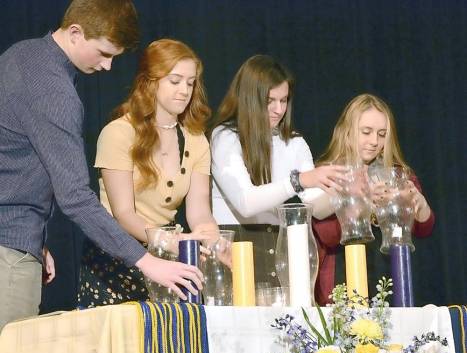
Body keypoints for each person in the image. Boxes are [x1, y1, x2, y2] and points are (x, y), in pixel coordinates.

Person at [0, 0, 202, 330]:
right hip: (8, 252)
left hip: (14, 240)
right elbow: (76, 198)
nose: (107, 66)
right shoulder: (54, 89)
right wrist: (147, 262)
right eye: (104, 53)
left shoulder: (22, 55)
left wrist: (32, 240)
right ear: (75, 33)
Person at [78, 39, 218, 307]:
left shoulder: (196, 139)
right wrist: (166, 240)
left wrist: (210, 238)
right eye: (175, 81)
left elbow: (199, 212)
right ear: (150, 82)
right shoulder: (118, 133)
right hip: (116, 259)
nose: (184, 91)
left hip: (166, 259)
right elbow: (124, 214)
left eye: (190, 83)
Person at [210, 54, 347, 295]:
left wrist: (344, 192)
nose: (278, 109)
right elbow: (246, 202)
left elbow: (317, 206)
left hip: (282, 249)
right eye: (270, 100)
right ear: (249, 98)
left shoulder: (293, 142)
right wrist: (298, 181)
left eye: (284, 100)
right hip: (234, 251)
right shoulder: (225, 138)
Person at [314, 93, 435, 304]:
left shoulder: (399, 175)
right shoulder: (328, 174)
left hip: (389, 278)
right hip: (342, 284)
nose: (374, 141)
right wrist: (364, 202)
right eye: (366, 132)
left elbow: (424, 229)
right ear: (347, 131)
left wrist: (420, 206)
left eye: (381, 134)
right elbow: (327, 235)